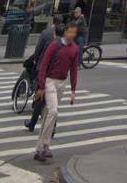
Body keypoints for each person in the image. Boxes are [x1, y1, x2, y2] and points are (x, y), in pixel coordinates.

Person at [32, 22, 83, 162]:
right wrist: (41, 86)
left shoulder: (75, 48)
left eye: (74, 33)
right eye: (70, 32)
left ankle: (39, 149)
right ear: (65, 32)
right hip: (50, 81)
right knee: (53, 111)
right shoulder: (54, 45)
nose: (72, 35)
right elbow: (44, 65)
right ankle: (45, 144)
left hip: (62, 82)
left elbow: (74, 70)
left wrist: (73, 90)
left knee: (48, 114)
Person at [24, 21, 63, 133]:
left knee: (41, 100)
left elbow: (40, 55)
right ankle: (43, 125)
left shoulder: (48, 38)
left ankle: (36, 124)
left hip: (46, 75)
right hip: (58, 77)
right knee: (51, 103)